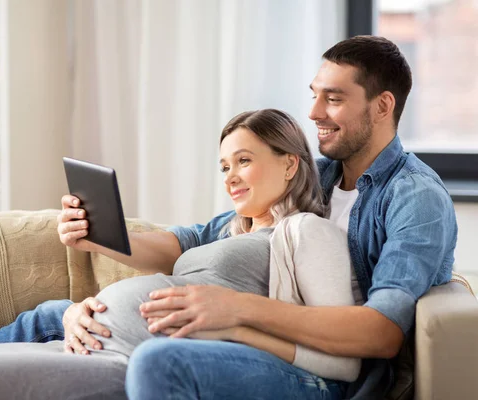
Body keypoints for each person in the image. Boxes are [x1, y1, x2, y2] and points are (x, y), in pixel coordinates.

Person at [0, 109, 359, 400]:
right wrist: (96, 236)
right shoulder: (223, 229)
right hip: (90, 340)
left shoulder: (306, 233)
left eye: (245, 161)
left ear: (290, 162)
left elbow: (338, 361)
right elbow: (164, 250)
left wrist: (233, 327)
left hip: (123, 359)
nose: (230, 176)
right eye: (224, 166)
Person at [123, 35, 457, 400]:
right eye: (314, 95)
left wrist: (238, 310)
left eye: (333, 99)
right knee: (59, 316)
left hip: (334, 378)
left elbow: (382, 332)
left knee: (160, 361)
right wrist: (100, 234)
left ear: (382, 106)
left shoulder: (415, 197)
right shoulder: (317, 175)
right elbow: (196, 238)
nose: (314, 112)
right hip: (269, 349)